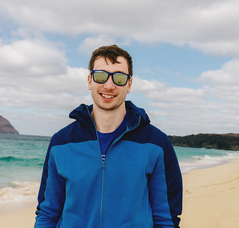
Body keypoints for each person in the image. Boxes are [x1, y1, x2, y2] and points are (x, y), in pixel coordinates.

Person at [35, 45, 182, 228]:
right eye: (101, 76)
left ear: (129, 84)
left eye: (119, 78)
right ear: (90, 81)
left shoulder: (157, 144)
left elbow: (166, 218)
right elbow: (47, 213)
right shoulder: (61, 142)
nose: (109, 85)